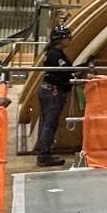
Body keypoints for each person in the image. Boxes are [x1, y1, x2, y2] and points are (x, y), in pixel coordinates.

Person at [34, 25, 74, 168]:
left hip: (48, 90)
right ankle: (44, 154)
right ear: (60, 39)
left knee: (46, 122)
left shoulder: (53, 53)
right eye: (68, 37)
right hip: (53, 92)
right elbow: (63, 73)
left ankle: (44, 151)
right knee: (49, 123)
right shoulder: (55, 55)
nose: (70, 40)